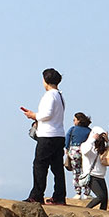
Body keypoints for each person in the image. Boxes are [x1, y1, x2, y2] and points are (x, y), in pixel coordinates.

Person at [21, 68, 66, 205]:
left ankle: (37, 195)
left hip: (48, 135)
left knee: (39, 165)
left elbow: (46, 114)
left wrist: (33, 115)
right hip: (59, 134)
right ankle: (59, 196)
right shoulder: (59, 95)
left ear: (45, 80)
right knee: (57, 167)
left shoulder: (49, 95)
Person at [81, 127, 109, 210]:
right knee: (101, 196)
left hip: (101, 176)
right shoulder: (86, 145)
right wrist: (93, 139)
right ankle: (85, 210)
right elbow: (85, 151)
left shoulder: (102, 148)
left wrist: (107, 141)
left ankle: (103, 216)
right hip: (92, 176)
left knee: (105, 199)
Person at [65, 112, 92, 199]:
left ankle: (78, 192)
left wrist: (67, 150)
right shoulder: (89, 130)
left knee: (76, 173)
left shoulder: (72, 129)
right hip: (86, 152)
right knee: (86, 172)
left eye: (74, 120)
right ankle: (87, 193)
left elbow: (67, 141)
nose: (73, 122)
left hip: (74, 152)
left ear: (79, 120)